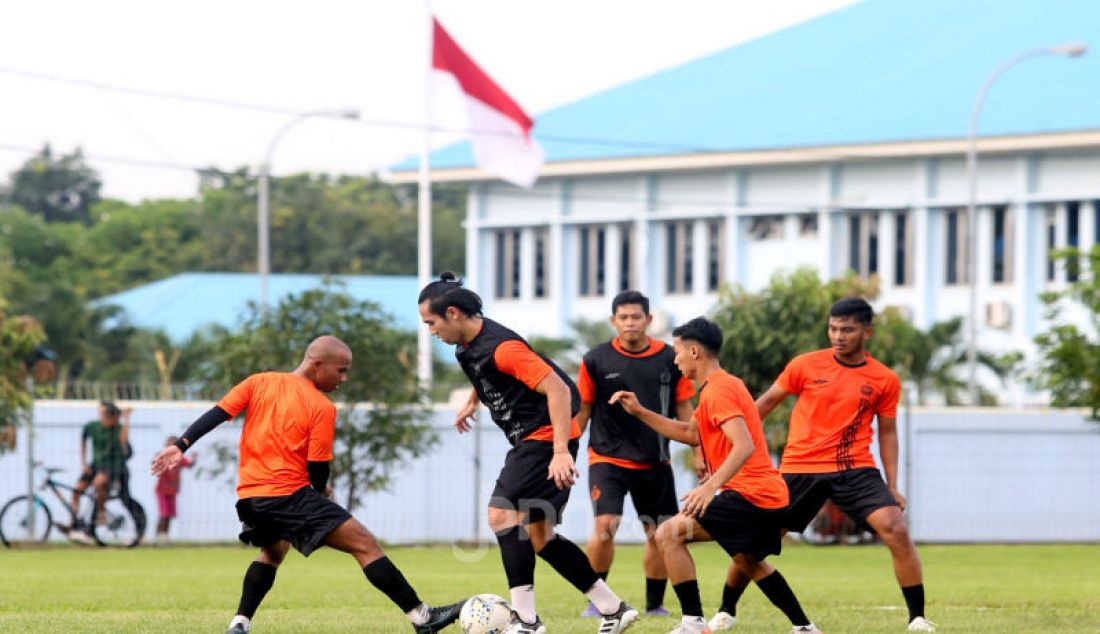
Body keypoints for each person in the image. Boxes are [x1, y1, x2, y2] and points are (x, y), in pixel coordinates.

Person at [150, 335, 465, 634]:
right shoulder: (321, 407)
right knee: (365, 544)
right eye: (341, 370)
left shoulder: (258, 382)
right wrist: (321, 494)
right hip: (288, 495)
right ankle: (423, 617)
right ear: (318, 365)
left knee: (272, 554)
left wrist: (181, 444)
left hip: (250, 498)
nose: (343, 378)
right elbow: (317, 469)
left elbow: (218, 413)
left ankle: (240, 623)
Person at [419, 272, 638, 634]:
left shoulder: (503, 347)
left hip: (545, 437)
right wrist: (473, 402)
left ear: (453, 313)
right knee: (540, 536)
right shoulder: (465, 346)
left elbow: (558, 390)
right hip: (535, 439)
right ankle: (613, 608)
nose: (430, 330)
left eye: (431, 322)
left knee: (500, 515)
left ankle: (526, 620)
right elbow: (486, 376)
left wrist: (559, 452)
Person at [710, 298, 934, 632]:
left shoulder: (884, 379)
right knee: (754, 540)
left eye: (847, 329)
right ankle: (727, 610)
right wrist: (722, 445)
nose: (838, 335)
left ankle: (917, 618)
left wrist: (892, 485)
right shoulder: (805, 365)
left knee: (896, 528)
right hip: (799, 467)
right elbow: (766, 403)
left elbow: (888, 433)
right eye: (833, 328)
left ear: (866, 332)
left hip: (855, 468)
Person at [610, 317, 822, 634]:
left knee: (668, 533)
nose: (675, 358)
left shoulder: (720, 390)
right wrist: (640, 411)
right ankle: (804, 627)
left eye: (677, 351)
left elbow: (743, 445)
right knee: (748, 560)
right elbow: (690, 433)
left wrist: (710, 486)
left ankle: (693, 622)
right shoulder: (719, 388)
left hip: (752, 494)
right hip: (763, 494)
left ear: (694, 351)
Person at [575, 290, 696, 618]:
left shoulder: (671, 358)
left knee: (660, 533)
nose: (630, 323)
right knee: (606, 524)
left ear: (649, 320)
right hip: (607, 457)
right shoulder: (595, 359)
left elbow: (685, 406)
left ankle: (654, 604)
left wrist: (700, 450)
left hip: (655, 460)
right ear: (613, 321)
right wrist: (565, 448)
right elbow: (583, 409)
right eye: (623, 317)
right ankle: (598, 601)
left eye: (636, 317)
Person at [70, 401, 133, 542]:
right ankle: (74, 523)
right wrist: (83, 462)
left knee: (100, 482)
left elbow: (123, 441)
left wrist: (127, 419)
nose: (103, 417)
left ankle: (101, 513)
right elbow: (83, 439)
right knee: (76, 490)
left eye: (106, 415)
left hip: (111, 466)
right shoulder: (93, 426)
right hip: (95, 465)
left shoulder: (118, 428)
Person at [154, 435, 196, 545]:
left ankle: (165, 536)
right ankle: (159, 537)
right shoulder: (162, 456)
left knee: (170, 515)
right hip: (162, 491)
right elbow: (154, 462)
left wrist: (194, 459)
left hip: (173, 491)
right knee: (164, 514)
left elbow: (189, 464)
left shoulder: (179, 458)